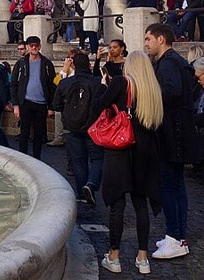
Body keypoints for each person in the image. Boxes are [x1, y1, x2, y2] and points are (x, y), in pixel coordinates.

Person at [95, 51, 164, 275]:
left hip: (121, 148)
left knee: (117, 203)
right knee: (140, 204)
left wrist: (103, 85)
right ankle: (143, 258)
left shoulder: (120, 82)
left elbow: (99, 106)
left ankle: (114, 256)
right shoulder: (153, 89)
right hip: (145, 151)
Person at [143, 23, 199, 259]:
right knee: (176, 184)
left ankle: (175, 236)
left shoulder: (167, 62)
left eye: (148, 39)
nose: (146, 43)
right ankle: (177, 235)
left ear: (161, 40)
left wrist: (149, 100)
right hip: (179, 130)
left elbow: (172, 90)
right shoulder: (177, 61)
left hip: (171, 132)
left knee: (169, 184)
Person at [53, 53, 105, 206]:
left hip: (72, 127)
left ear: (73, 66)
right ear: (89, 65)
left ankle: (82, 194)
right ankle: (91, 184)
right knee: (97, 159)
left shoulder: (65, 83)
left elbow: (56, 105)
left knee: (78, 161)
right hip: (93, 127)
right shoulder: (97, 82)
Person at [11, 36, 56, 160]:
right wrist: (15, 105)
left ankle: (37, 158)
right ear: (27, 47)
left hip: (41, 104)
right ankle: (23, 159)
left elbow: (52, 86)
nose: (34, 48)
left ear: (40, 46)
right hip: (25, 102)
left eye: (36, 45)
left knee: (38, 134)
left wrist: (51, 106)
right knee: (24, 133)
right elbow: (14, 84)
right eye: (31, 45)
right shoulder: (21, 63)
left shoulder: (47, 63)